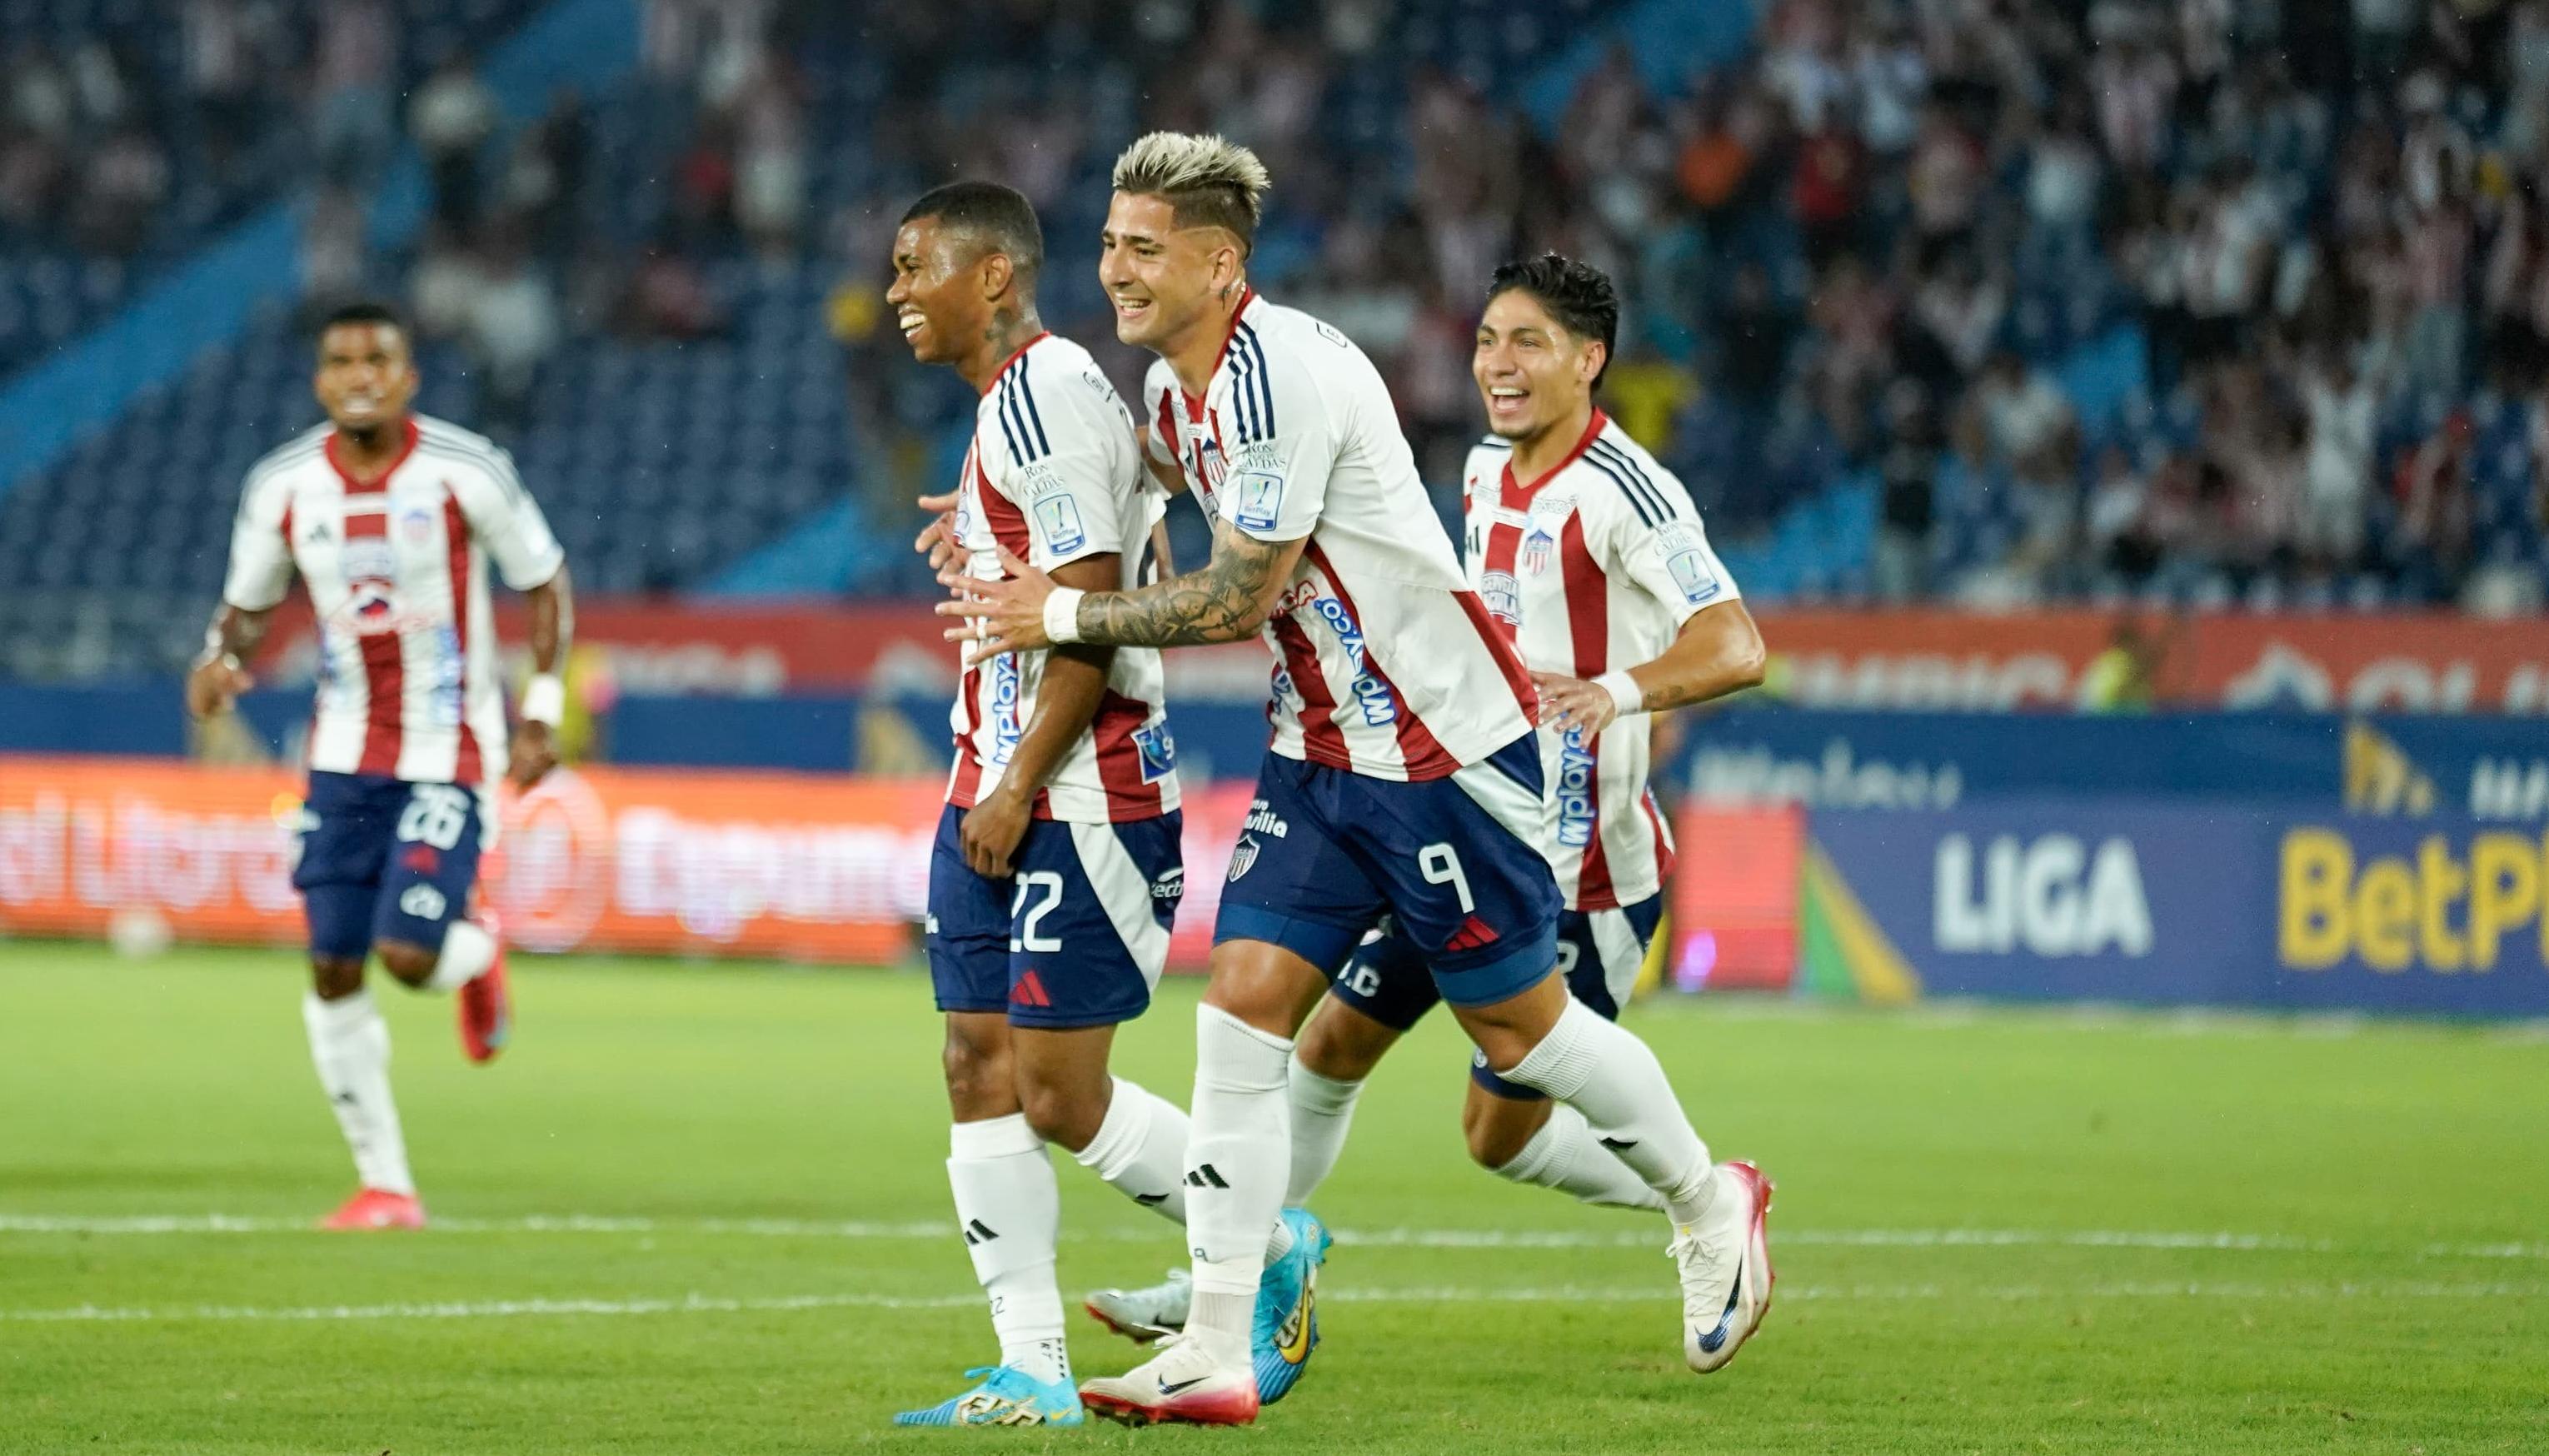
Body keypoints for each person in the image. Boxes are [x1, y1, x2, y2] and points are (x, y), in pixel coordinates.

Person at [944, 133, 1773, 1426]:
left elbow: (1237, 597)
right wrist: (994, 514)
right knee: (1240, 1012)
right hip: (1319, 753)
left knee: (1523, 1034)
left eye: (1145, 249)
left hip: (1444, 754)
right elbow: (1133, 484)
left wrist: (1058, 615)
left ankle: (1708, 1198)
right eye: (1107, 244)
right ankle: (1219, 1344)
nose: (1115, 270)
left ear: (1222, 265)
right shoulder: (1173, 388)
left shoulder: (1281, 375)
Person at [1087, 255, 1774, 1345]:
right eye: (1488, 340)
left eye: (1529, 343)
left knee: (1505, 1122)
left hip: (1583, 859)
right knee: (1323, 1048)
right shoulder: (1486, 469)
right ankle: (1246, 1271)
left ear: (1590, 361)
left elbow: (1736, 643)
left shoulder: (1624, 489)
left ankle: (1707, 1197)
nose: (1498, 364)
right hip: (1456, 795)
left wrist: (1616, 690)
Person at [882, 180, 1314, 1428]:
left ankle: (1265, 1233)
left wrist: (1021, 782)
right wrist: (977, 536)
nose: (897, 291)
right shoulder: (1009, 411)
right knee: (974, 1060)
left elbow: (1086, 616)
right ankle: (1033, 1370)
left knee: (1062, 1092)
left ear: (993, 277)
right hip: (988, 776)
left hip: (1077, 793)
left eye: (915, 266)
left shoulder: (1045, 395)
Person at [185, 301, 572, 1231]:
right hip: (340, 753)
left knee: (407, 953)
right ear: (320, 381)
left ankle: (476, 953)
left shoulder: (466, 469)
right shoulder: (283, 485)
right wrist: (220, 658)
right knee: (331, 964)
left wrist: (541, 711)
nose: (360, 375)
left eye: (378, 359)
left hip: (451, 747)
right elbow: (248, 604)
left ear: (409, 377)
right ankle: (387, 1185)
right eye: (342, 361)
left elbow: (544, 582)